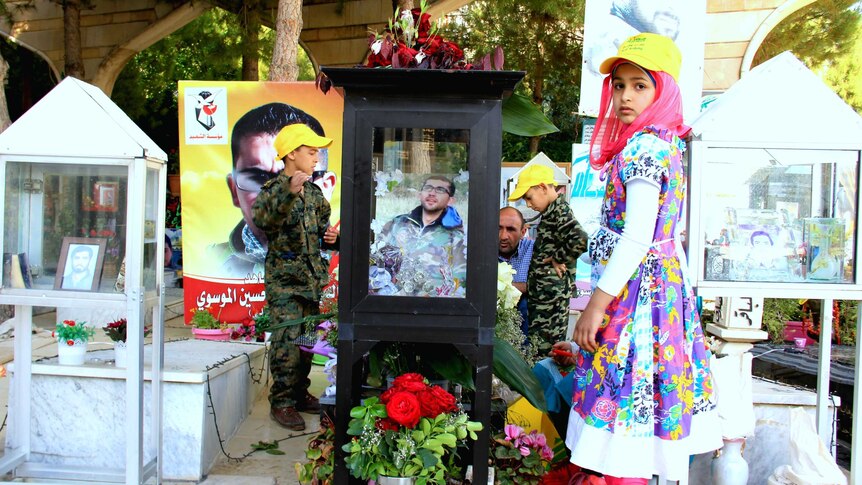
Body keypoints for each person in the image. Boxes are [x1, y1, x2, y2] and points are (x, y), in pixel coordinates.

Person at [565, 32, 722, 483]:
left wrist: (596, 305)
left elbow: (638, 237)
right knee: (643, 407)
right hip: (660, 294)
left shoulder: (645, 147)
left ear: (663, 89)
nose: (625, 96)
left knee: (624, 409)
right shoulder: (667, 142)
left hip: (637, 298)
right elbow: (667, 235)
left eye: (640, 85)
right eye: (618, 85)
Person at [252, 123, 339, 431]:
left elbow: (322, 232)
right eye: (311, 151)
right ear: (291, 154)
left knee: (304, 342)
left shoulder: (315, 195)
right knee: (287, 343)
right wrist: (289, 193)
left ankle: (300, 393)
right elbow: (264, 221)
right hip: (285, 284)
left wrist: (332, 238)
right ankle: (283, 402)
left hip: (311, 282)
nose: (317, 158)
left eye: (318, 152)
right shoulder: (272, 190)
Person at [209, 102, 327, 278]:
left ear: (324, 186)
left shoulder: (345, 262)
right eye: (256, 178)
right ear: (234, 190)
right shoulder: (210, 262)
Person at [507, 165, 588, 359]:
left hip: (552, 298)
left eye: (529, 197)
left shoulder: (559, 211)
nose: (528, 204)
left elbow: (581, 239)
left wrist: (559, 258)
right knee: (538, 346)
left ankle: (544, 386)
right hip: (545, 295)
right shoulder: (552, 211)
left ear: (543, 187)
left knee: (546, 350)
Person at [369, 175, 467, 297]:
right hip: (393, 303)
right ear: (419, 194)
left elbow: (460, 282)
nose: (432, 193)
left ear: (450, 200)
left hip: (433, 307)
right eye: (428, 188)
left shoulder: (455, 237)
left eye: (440, 190)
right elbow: (377, 260)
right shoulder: (397, 223)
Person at [498, 206, 534, 335]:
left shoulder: (534, 251)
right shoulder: (482, 251)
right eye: (498, 228)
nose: (503, 236)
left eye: (511, 229)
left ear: (523, 232)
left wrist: (504, 288)